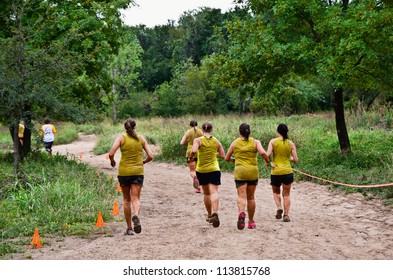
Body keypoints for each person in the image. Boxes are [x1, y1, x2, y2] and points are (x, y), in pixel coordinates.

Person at [109, 118, 154, 235]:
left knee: (126, 199)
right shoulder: (141, 138)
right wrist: (143, 162)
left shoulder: (121, 138)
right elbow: (151, 155)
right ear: (135, 127)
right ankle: (136, 215)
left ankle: (129, 228)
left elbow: (111, 153)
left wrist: (112, 161)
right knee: (136, 198)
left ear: (125, 127)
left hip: (124, 172)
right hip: (138, 171)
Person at [225, 123, 272, 230]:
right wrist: (268, 161)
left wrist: (233, 160)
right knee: (251, 197)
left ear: (239, 132)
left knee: (241, 196)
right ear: (249, 132)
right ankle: (251, 222)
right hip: (252, 172)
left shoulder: (235, 143)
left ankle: (241, 213)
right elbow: (263, 153)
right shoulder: (255, 142)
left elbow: (227, 158)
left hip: (240, 172)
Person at [189, 122, 225, 228]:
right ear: (211, 130)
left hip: (202, 170)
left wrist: (191, 156)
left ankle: (209, 215)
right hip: (214, 169)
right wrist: (214, 153)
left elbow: (194, 150)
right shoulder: (216, 141)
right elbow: (222, 155)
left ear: (202, 130)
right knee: (214, 192)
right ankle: (216, 212)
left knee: (206, 194)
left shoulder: (198, 140)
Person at [266, 123, 298, 222]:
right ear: (287, 132)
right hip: (287, 172)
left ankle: (279, 207)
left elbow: (267, 155)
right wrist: (290, 158)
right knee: (286, 195)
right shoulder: (291, 143)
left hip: (276, 172)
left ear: (277, 131)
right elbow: (296, 160)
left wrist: (269, 163)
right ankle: (286, 215)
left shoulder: (273, 142)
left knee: (276, 192)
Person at [180, 120, 203, 193]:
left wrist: (188, 141)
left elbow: (181, 143)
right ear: (197, 124)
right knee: (198, 169)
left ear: (190, 125)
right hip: (199, 152)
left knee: (192, 171)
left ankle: (196, 183)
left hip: (190, 151)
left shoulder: (188, 132)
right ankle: (199, 185)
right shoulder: (201, 132)